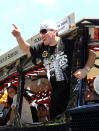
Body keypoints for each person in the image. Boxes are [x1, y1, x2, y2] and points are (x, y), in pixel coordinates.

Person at [12, 20, 71, 120]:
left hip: (71, 94)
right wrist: (18, 37)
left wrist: (85, 69)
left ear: (54, 31)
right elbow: (26, 49)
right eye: (40, 32)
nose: (41, 35)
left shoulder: (67, 44)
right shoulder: (42, 48)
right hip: (56, 96)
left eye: (44, 31)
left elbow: (91, 54)